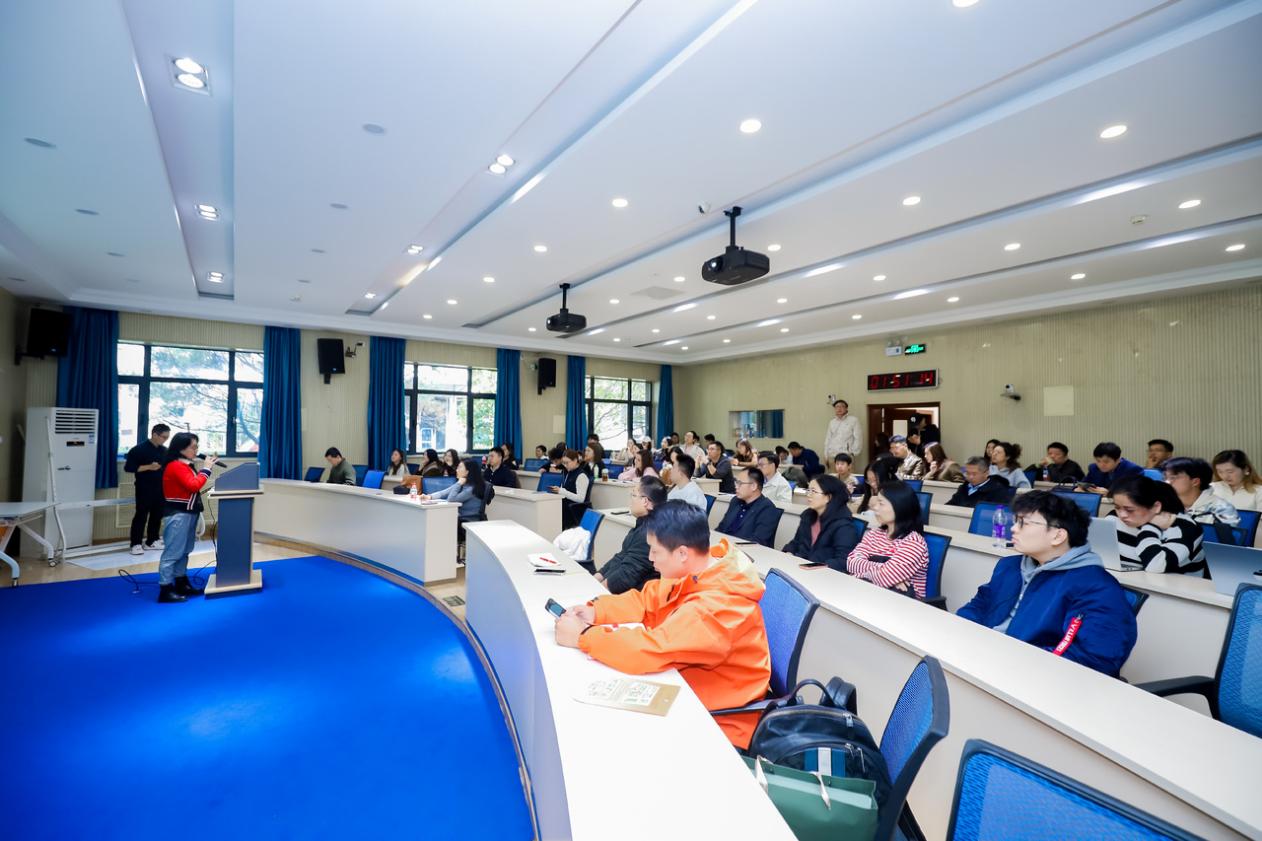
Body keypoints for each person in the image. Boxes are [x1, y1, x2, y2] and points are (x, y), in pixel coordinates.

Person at [554, 500, 771, 749]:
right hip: (688, 690)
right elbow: (647, 601)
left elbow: (652, 650)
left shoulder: (716, 608)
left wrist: (583, 636)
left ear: (682, 553)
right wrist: (596, 612)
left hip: (718, 723)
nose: (650, 558)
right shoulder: (698, 569)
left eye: (655, 552)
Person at [956, 491, 1137, 677]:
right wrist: (964, 635)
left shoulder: (1096, 587)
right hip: (984, 659)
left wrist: (1012, 661)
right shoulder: (1009, 566)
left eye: (1023, 523)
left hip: (1032, 676)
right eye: (1016, 521)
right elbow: (980, 605)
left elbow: (1094, 658)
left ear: (1058, 536)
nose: (1013, 528)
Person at [157, 432, 216, 603]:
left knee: (184, 550)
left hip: (189, 513)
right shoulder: (175, 466)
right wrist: (207, 468)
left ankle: (181, 582)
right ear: (181, 448)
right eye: (193, 447)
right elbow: (193, 485)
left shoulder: (186, 465)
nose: (196, 450)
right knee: (172, 552)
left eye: (197, 446)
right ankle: (165, 588)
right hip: (178, 514)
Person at [847, 481, 930, 596]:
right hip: (868, 595)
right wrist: (884, 570)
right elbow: (851, 562)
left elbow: (883, 577)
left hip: (901, 603)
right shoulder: (875, 533)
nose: (875, 508)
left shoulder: (914, 543)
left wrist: (858, 574)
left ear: (899, 506)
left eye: (881, 503)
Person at [1110, 476, 1206, 576]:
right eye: (1117, 507)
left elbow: (1156, 566)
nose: (1122, 515)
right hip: (1129, 580)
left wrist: (1151, 527)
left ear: (1156, 507)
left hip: (1176, 585)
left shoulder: (1186, 527)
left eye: (1130, 510)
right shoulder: (1115, 518)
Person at [595, 477, 669, 594]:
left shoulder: (649, 534)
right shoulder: (643, 524)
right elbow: (621, 556)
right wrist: (597, 577)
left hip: (636, 596)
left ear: (645, 501)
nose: (630, 501)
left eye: (633, 495)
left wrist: (598, 590)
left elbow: (627, 575)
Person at [782, 475, 860, 571]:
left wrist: (813, 566)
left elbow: (844, 561)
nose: (808, 495)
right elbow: (796, 542)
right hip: (800, 568)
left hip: (823, 575)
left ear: (828, 497)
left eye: (813, 491)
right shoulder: (808, 516)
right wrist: (788, 553)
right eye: (808, 490)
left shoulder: (843, 525)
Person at [124, 423, 170, 556]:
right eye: (163, 437)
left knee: (157, 515)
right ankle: (136, 544)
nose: (165, 440)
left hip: (160, 488)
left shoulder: (164, 450)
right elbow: (129, 468)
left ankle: (152, 541)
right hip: (144, 487)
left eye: (167, 438)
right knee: (141, 515)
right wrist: (149, 467)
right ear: (154, 434)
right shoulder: (138, 450)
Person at [1164, 457, 1239, 529]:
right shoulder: (1164, 505)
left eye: (1172, 478)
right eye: (1166, 478)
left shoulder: (1221, 508)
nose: (1167, 482)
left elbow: (1225, 537)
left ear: (1195, 482)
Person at [716, 469, 780, 547]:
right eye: (736, 482)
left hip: (746, 551)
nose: (736, 486)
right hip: (725, 547)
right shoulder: (735, 501)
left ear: (753, 486)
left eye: (740, 483)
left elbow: (757, 542)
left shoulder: (768, 509)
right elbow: (721, 527)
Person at [424, 458, 490, 534]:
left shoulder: (471, 488)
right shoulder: (464, 483)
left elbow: (451, 500)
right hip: (459, 518)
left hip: (467, 520)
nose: (456, 470)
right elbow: (444, 492)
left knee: (439, 520)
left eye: (459, 467)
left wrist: (458, 483)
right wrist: (429, 496)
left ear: (467, 472)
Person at [550, 449, 593, 529]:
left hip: (575, 511)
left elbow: (580, 499)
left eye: (567, 462)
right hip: (566, 508)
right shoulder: (566, 472)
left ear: (575, 460)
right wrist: (558, 490)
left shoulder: (581, 475)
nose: (565, 465)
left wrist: (562, 491)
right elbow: (564, 490)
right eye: (563, 463)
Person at [946, 457, 1014, 508]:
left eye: (974, 474)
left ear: (986, 473)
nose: (970, 477)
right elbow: (950, 505)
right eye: (967, 473)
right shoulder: (964, 487)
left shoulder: (998, 491)